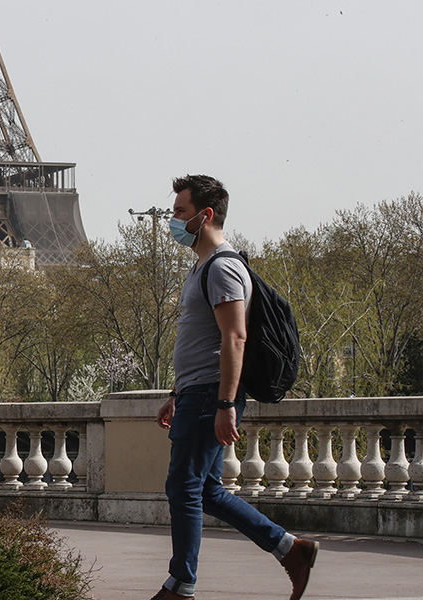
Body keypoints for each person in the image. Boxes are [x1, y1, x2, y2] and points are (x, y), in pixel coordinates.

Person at [152, 175, 318, 600]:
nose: (173, 220)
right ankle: (290, 549)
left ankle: (180, 585)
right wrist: (176, 393)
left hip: (211, 394)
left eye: (180, 212)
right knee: (206, 490)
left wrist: (225, 403)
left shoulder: (223, 267)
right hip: (197, 392)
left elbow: (235, 337)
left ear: (205, 215)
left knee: (183, 487)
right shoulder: (202, 266)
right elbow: (203, 340)